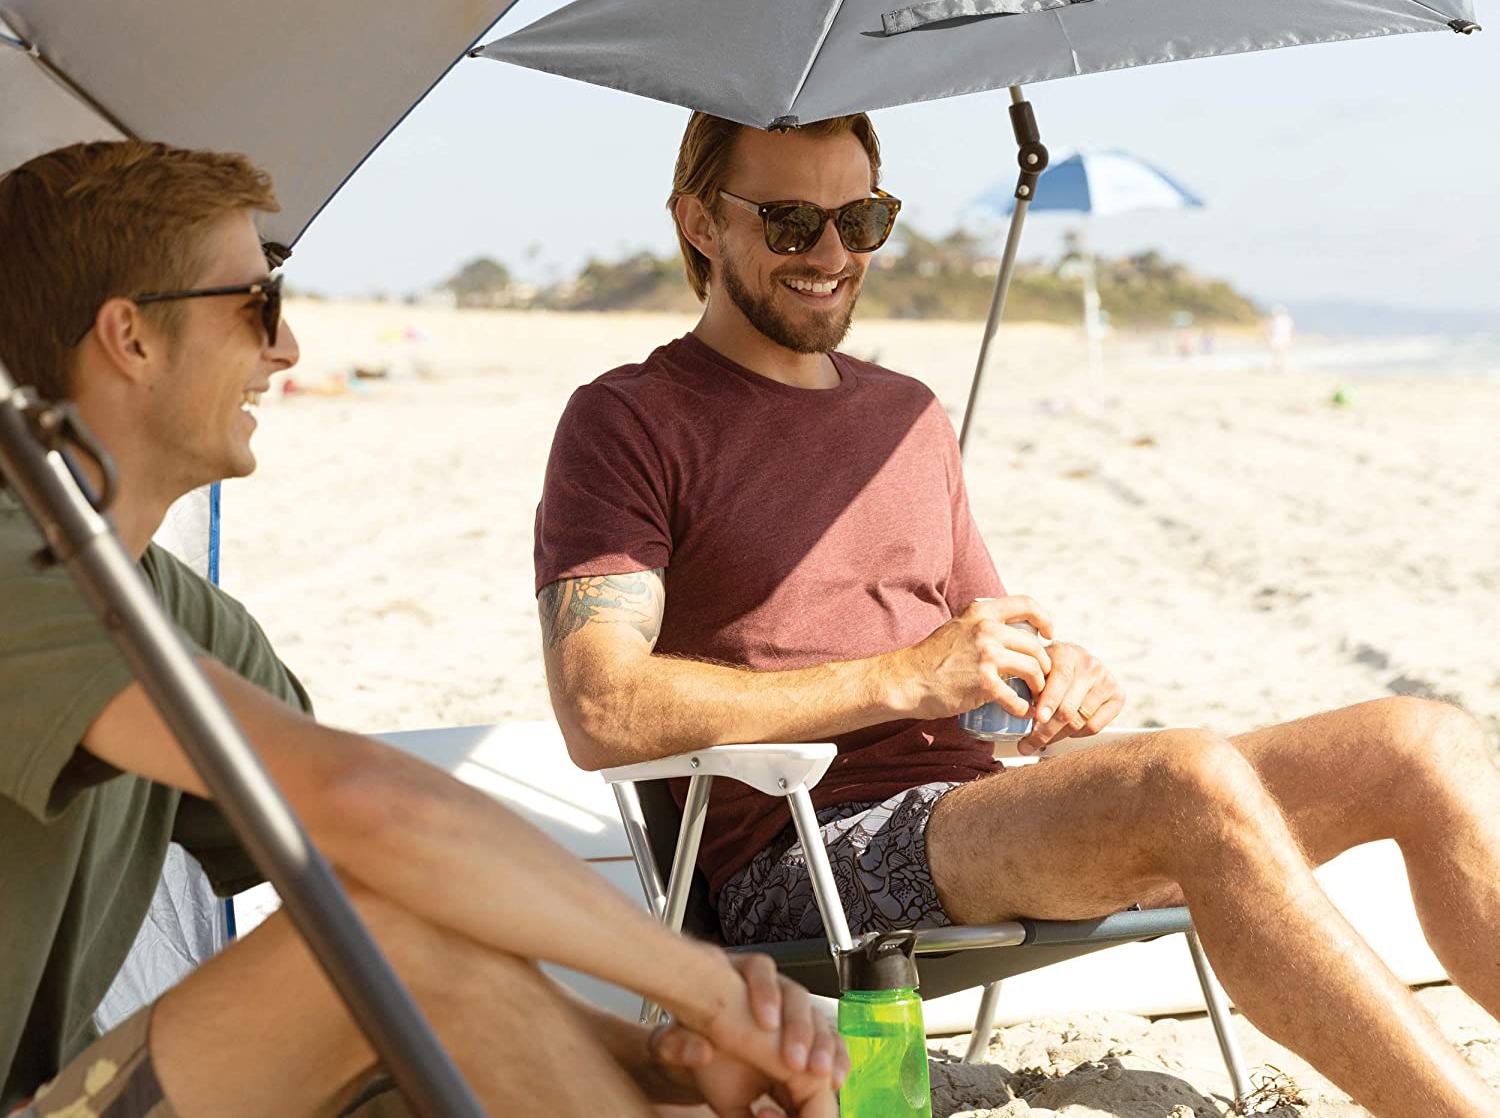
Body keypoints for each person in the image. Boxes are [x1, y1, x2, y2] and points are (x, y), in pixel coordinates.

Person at [535, 109, 1500, 1118]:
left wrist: (1051, 676)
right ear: (699, 223)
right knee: (1186, 774)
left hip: (973, 811)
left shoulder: (906, 415)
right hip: (802, 853)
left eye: (861, 220)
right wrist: (902, 678)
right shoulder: (629, 420)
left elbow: (986, 650)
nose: (831, 254)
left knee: (1421, 741)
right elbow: (600, 708)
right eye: (789, 223)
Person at [0, 140, 847, 1118]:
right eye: (257, 306)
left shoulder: (170, 609)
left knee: (425, 947)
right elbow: (370, 809)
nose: (286, 349)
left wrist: (657, 1059)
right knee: (394, 933)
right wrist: (708, 989)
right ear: (130, 337)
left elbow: (396, 881)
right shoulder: (15, 569)